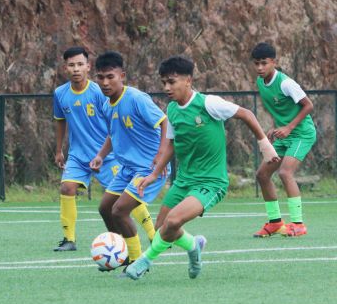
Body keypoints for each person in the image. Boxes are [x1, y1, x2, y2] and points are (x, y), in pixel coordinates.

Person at [125, 56, 279, 281]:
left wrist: (265, 146)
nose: (167, 88)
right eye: (164, 83)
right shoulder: (173, 110)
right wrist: (154, 174)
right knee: (161, 229)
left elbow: (247, 114)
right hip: (184, 181)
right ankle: (193, 246)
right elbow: (170, 144)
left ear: (188, 80)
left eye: (172, 82)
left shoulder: (209, 104)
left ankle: (144, 261)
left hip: (211, 182)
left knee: (174, 221)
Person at [89, 51, 169, 270]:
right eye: (100, 77)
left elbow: (165, 122)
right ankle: (118, 252)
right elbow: (113, 134)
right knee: (105, 208)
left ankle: (136, 260)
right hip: (127, 168)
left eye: (110, 77)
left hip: (148, 168)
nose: (105, 82)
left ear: (122, 75)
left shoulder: (136, 98)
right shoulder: (106, 105)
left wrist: (161, 155)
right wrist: (100, 156)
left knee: (120, 210)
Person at [52, 46, 120, 251]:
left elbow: (114, 121)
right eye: (71, 65)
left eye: (80, 64)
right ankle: (69, 239)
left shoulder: (99, 92)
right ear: (65, 68)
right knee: (67, 187)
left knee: (124, 196)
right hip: (78, 155)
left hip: (107, 156)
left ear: (88, 67)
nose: (76, 69)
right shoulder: (60, 93)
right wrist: (58, 150)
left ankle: (153, 235)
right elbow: (60, 121)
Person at [251, 42, 316, 238]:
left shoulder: (286, 83)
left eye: (264, 63)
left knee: (285, 172)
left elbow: (308, 105)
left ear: (273, 62)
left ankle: (298, 224)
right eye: (257, 64)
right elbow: (279, 110)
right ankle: (275, 222)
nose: (260, 67)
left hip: (301, 134)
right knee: (262, 175)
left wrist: (288, 127)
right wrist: (275, 127)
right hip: (285, 135)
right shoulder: (260, 83)